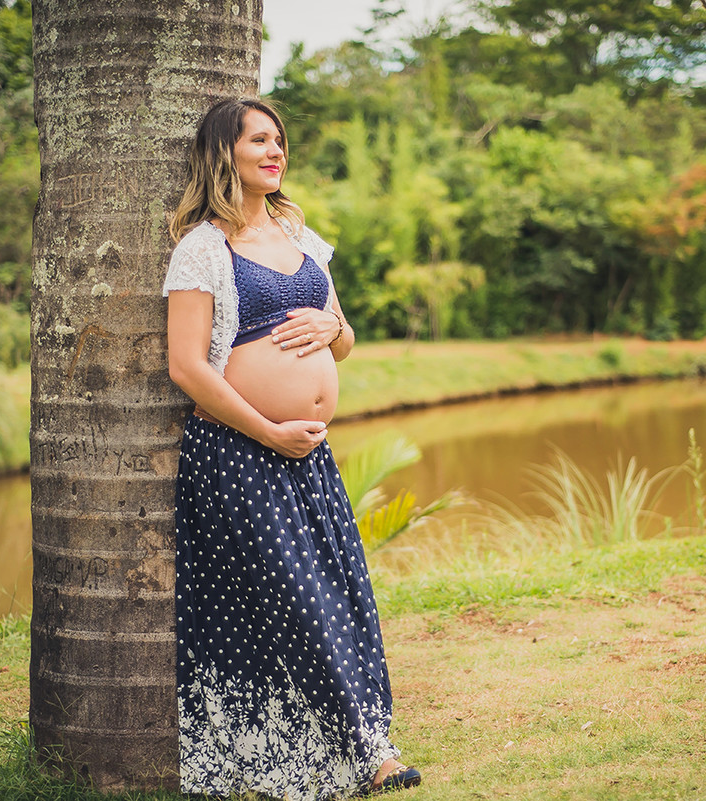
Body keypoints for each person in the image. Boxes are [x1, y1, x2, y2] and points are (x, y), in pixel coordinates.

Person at [162, 97, 420, 800]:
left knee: (340, 595)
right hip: (240, 453)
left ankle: (364, 741)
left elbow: (344, 334)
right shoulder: (201, 248)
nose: (276, 153)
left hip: (311, 454)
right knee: (298, 601)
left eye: (279, 141)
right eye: (259, 142)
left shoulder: (297, 232)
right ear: (225, 154)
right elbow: (187, 367)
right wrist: (270, 430)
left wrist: (327, 328)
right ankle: (368, 757)